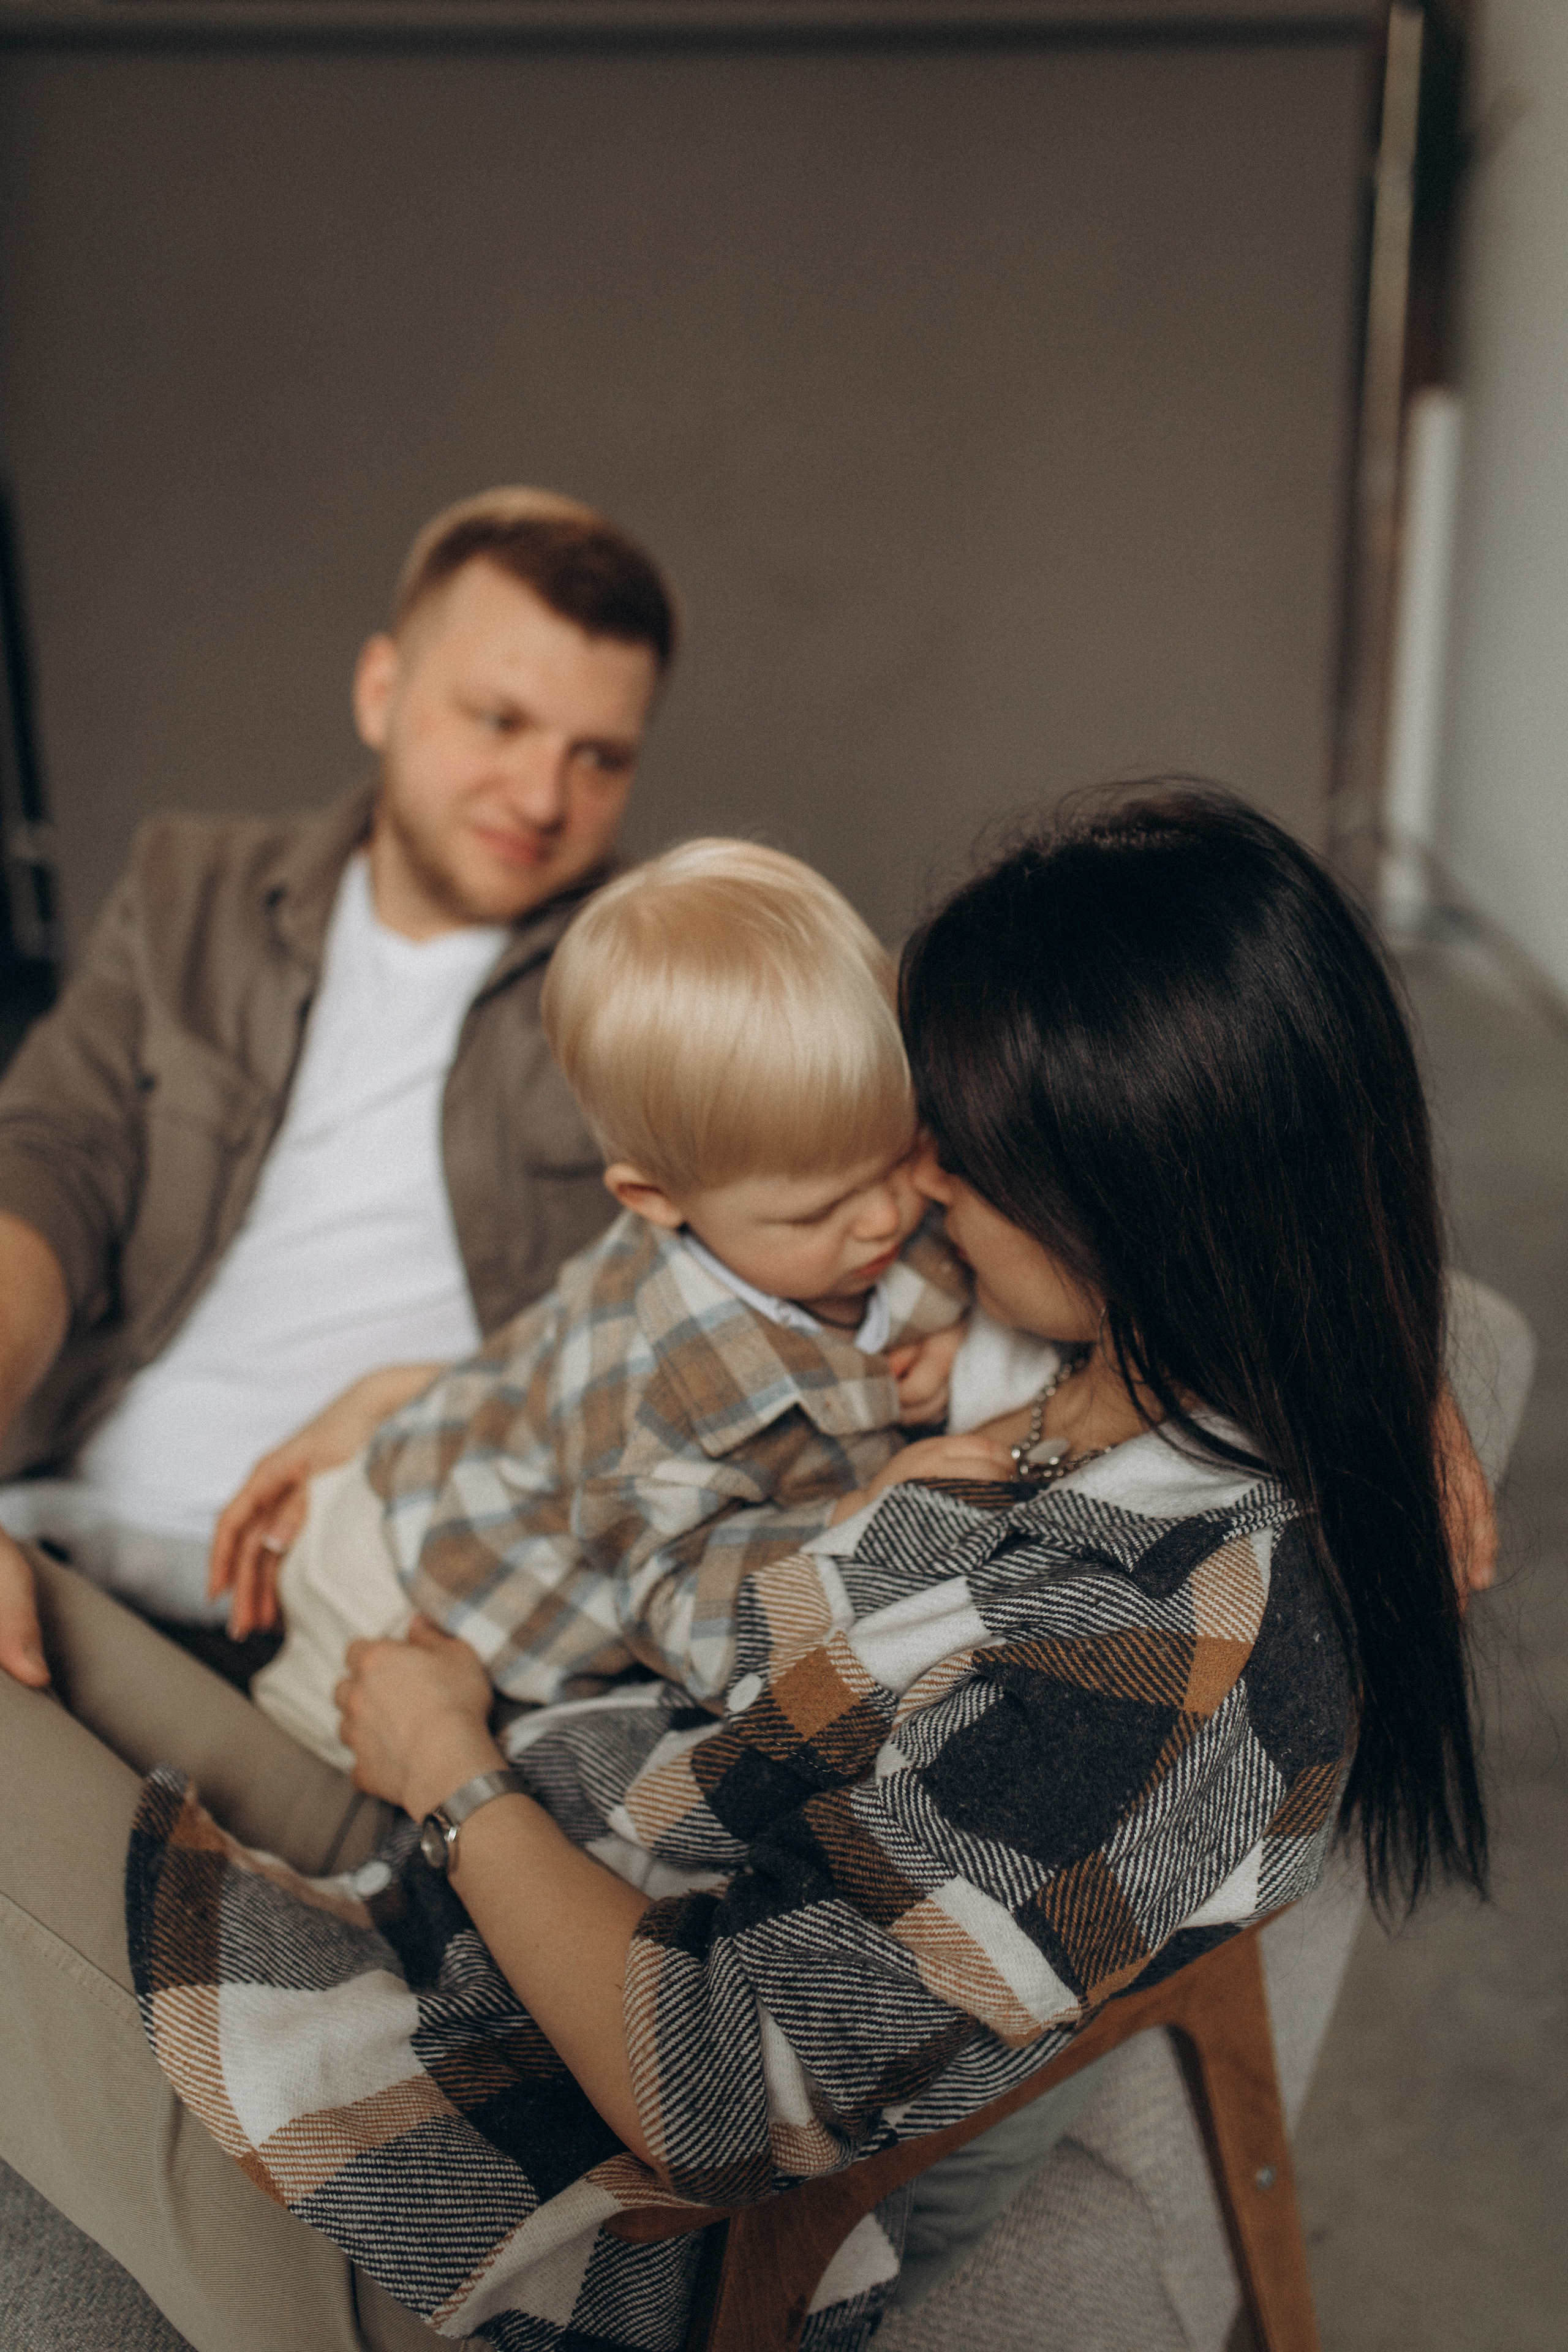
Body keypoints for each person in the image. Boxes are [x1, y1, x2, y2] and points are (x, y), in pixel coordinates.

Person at [0, 787, 1491, 2352]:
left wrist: (449, 1768)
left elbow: (701, 2089)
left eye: (950, 1155)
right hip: (532, 1843)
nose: (915, 1193)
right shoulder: (1132, 1359)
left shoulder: (1163, 1659)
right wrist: (1397, 1381)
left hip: (512, 2183)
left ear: (1116, 1200)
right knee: (45, 1605)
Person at [0, 483, 677, 1683]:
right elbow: (49, 1169)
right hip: (63, 1531)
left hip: (348, 1620)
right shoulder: (187, 890)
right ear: (381, 691)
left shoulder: (663, 977)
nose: (540, 798)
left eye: (598, 758)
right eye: (498, 722)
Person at [236, 838, 1024, 1768]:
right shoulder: (646, 1396)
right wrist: (861, 1515)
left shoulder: (857, 1209)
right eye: (819, 1210)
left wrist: (959, 1337)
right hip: (410, 1578)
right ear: (658, 1200)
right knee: (313, 1767)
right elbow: (680, 1619)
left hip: (487, 1424)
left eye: (900, 1151)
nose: (890, 1215)